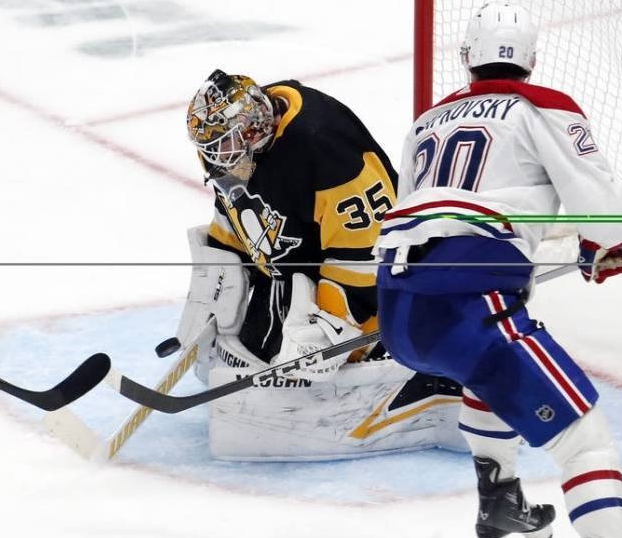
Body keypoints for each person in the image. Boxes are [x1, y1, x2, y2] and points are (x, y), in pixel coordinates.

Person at [374, 4, 622, 538]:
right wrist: (611, 242)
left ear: (468, 57)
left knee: (482, 369)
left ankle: (501, 512)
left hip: (398, 302)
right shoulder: (539, 103)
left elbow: (423, 212)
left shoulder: (427, 120)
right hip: (469, 294)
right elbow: (602, 207)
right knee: (586, 434)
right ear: (530, 58)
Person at [173, 69, 464, 460]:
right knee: (244, 354)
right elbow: (235, 222)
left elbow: (366, 247)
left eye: (224, 146)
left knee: (311, 359)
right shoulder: (242, 149)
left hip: (367, 286)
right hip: (293, 279)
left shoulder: (323, 143)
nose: (216, 159)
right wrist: (216, 290)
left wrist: (331, 322)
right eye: (211, 148)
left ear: (254, 129)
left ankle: (384, 345)